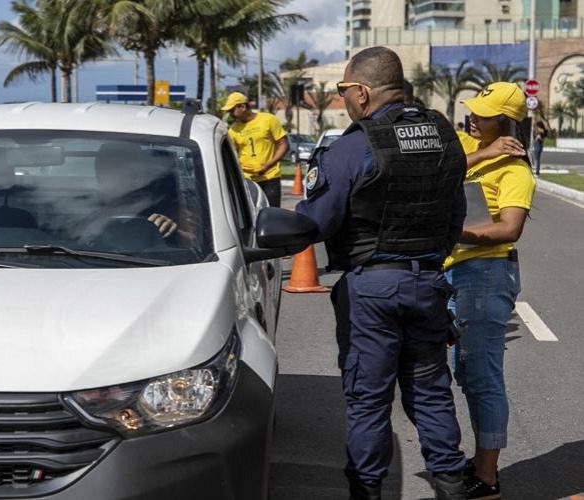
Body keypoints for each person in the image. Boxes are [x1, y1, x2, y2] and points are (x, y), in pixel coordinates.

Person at [295, 46, 468, 500]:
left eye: (344, 90)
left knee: (368, 398)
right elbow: (455, 215)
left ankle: (367, 491)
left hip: (371, 287)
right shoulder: (443, 138)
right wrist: (426, 259)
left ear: (363, 92)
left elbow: (317, 222)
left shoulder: (354, 146)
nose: (345, 99)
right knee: (430, 391)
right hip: (429, 282)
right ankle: (451, 486)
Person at [446, 82, 536, 500]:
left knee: (483, 376)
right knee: (463, 371)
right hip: (452, 271)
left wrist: (456, 232)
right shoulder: (469, 145)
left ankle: (487, 474)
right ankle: (481, 458)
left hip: (484, 273)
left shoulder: (516, 170)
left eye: (483, 113)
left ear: (504, 121)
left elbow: (509, 228)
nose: (473, 117)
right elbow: (443, 171)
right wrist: (484, 152)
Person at [220, 91, 289, 208]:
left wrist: (268, 165)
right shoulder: (233, 130)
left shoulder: (268, 120)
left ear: (242, 106)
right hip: (247, 179)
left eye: (232, 110)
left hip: (270, 177)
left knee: (271, 213)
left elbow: (284, 145)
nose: (230, 114)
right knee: (250, 216)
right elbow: (232, 154)